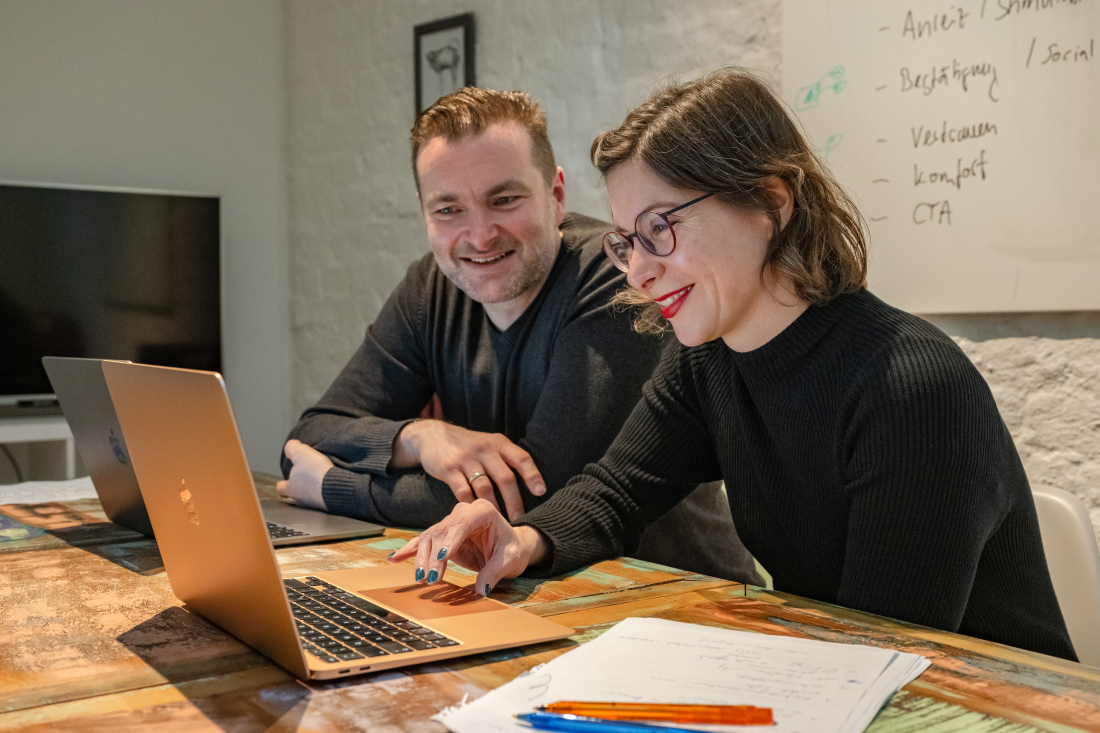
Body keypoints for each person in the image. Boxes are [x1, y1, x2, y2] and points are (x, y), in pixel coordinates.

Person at [390, 69, 1077, 662]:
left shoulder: (912, 388)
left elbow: (884, 650)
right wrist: (524, 537)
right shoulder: (708, 359)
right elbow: (619, 489)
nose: (641, 270)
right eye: (627, 241)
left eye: (661, 227)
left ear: (772, 203)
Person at [278, 87, 761, 585]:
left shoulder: (616, 278)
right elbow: (309, 437)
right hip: (524, 593)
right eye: (448, 210)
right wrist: (417, 438)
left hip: (678, 598)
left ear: (555, 196)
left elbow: (534, 496)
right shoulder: (430, 287)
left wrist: (334, 487)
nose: (480, 235)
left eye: (504, 200)